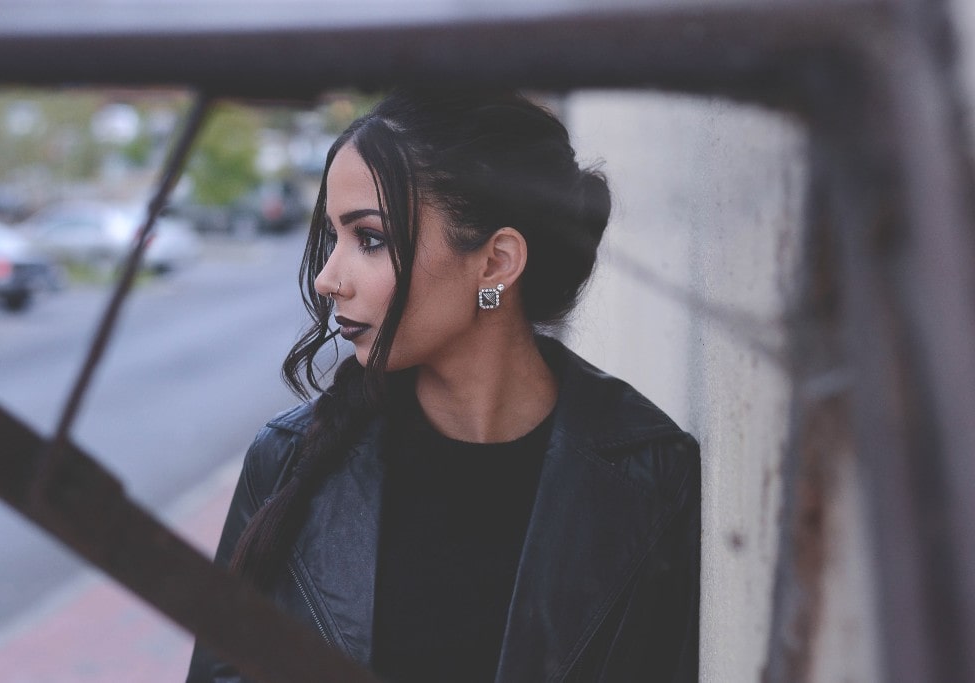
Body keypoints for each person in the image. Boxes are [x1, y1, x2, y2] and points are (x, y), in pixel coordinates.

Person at [187, 91, 700, 683]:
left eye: (370, 240)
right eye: (334, 237)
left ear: (495, 264)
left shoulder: (650, 474)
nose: (328, 278)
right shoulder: (284, 463)